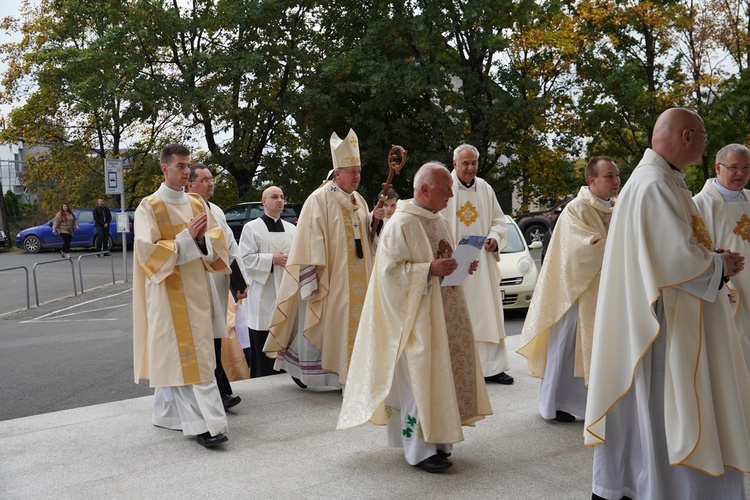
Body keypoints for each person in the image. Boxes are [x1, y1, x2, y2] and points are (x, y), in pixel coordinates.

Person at [584, 108, 750, 499]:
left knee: (659, 416)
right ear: (688, 136)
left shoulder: (665, 179)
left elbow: (681, 246)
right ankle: (668, 489)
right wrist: (718, 265)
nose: (705, 145)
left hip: (674, 317)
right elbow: (674, 260)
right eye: (704, 137)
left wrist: (711, 255)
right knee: (663, 413)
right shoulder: (653, 183)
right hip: (662, 327)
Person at [338, 162, 492, 473]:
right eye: (445, 189)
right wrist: (428, 270)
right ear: (423, 190)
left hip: (443, 313)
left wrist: (460, 265)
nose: (451, 194)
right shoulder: (402, 224)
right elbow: (388, 274)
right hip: (415, 322)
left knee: (440, 379)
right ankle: (418, 450)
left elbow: (444, 256)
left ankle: (439, 442)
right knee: (418, 383)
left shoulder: (438, 219)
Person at [264, 129, 383, 389]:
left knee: (353, 326)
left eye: (359, 172)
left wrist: (376, 220)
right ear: (337, 173)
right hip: (329, 279)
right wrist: (310, 279)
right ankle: (314, 374)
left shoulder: (360, 201)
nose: (357, 177)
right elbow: (308, 240)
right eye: (352, 172)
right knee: (324, 326)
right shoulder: (318, 199)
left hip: (358, 279)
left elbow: (366, 237)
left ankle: (353, 377)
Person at [132, 144, 231, 448]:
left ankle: (174, 416)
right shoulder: (150, 206)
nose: (186, 171)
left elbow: (218, 241)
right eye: (180, 166)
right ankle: (205, 426)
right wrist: (187, 238)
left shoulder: (196, 203)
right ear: (164, 168)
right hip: (167, 294)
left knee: (199, 358)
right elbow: (146, 253)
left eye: (188, 166)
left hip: (197, 293)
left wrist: (201, 241)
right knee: (179, 359)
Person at [517, 156, 619, 423]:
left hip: (611, 291)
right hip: (576, 293)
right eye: (609, 176)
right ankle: (557, 403)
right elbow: (580, 251)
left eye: (617, 175)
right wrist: (622, 247)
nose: (616, 182)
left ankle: (600, 404)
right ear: (591, 180)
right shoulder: (576, 209)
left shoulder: (620, 207)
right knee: (568, 347)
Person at [439, 144, 512, 385]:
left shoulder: (486, 188)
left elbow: (499, 220)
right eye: (465, 163)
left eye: (474, 163)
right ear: (455, 164)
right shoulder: (444, 188)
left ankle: (493, 368)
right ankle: (458, 365)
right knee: (459, 313)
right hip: (454, 262)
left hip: (482, 262)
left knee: (486, 311)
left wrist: (494, 238)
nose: (470, 168)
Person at [186, 163, 249, 410]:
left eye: (212, 179)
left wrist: (239, 283)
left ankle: (221, 390)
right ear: (190, 184)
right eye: (204, 179)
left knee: (215, 338)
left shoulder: (218, 212)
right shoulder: (186, 210)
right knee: (204, 340)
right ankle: (216, 392)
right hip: (200, 284)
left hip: (219, 282)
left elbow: (231, 248)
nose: (210, 183)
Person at [694, 143, 750, 369]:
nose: (741, 173)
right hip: (729, 288)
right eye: (734, 167)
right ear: (718, 168)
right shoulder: (700, 204)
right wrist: (718, 282)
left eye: (746, 167)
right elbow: (698, 250)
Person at [239, 185, 296, 378]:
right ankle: (262, 380)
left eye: (281, 197)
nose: (279, 200)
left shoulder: (292, 230)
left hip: (286, 291)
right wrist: (272, 259)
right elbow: (244, 259)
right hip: (263, 294)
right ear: (264, 202)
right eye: (274, 197)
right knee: (263, 345)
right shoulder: (251, 228)